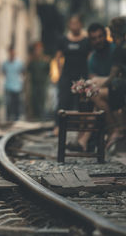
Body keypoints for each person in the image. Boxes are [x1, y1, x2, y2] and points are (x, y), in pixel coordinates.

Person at [71, 22, 117, 151]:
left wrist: (97, 82)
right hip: (103, 93)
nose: (98, 41)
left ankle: (84, 140)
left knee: (94, 94)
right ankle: (84, 140)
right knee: (88, 97)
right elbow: (92, 79)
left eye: (100, 36)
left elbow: (117, 77)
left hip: (117, 90)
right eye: (94, 38)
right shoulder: (92, 58)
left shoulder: (115, 50)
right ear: (90, 41)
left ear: (106, 36)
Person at [90, 17, 126, 151]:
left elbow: (112, 77)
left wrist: (96, 85)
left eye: (110, 31)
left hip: (122, 89)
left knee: (94, 94)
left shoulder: (119, 48)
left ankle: (115, 129)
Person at [53, 15, 91, 135]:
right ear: (69, 25)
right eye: (72, 23)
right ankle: (59, 126)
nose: (74, 26)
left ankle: (82, 127)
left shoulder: (86, 41)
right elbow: (58, 57)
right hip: (67, 75)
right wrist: (59, 73)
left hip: (82, 75)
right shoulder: (63, 40)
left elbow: (90, 57)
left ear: (81, 24)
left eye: (77, 23)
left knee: (83, 102)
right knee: (63, 101)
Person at [26, 42, 50, 120]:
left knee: (42, 99)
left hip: (42, 83)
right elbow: (27, 70)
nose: (38, 51)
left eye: (39, 49)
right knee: (34, 100)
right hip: (34, 84)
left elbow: (48, 71)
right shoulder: (32, 61)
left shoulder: (45, 60)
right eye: (37, 49)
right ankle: (35, 116)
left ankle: (42, 116)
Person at [2, 46, 25, 121]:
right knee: (8, 105)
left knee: (17, 105)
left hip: (17, 87)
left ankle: (16, 120)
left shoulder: (19, 63)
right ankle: (8, 120)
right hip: (8, 86)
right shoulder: (5, 63)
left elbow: (22, 72)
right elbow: (3, 72)